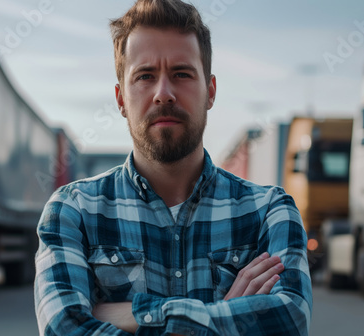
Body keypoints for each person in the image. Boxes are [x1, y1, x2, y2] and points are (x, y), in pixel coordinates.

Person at [33, 0, 312, 335]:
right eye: (145, 76)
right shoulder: (73, 211)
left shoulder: (269, 211)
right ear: (121, 99)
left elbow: (289, 320)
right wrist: (224, 314)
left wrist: (131, 315)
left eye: (181, 74)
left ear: (210, 92)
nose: (163, 94)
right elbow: (64, 328)